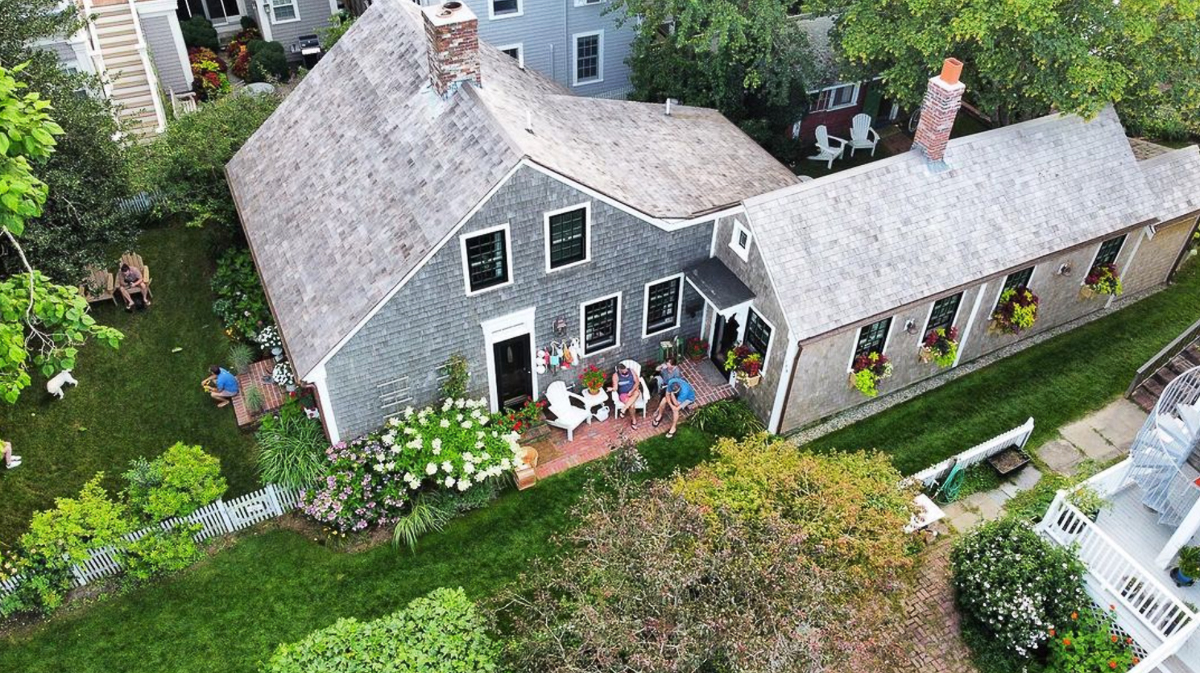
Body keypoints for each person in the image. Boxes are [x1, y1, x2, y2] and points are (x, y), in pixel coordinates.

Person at [609, 362, 641, 429]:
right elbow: (616, 387)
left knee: (637, 393)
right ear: (619, 371)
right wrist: (611, 389)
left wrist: (631, 391)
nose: (625, 372)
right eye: (623, 371)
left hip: (633, 391)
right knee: (631, 406)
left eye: (625, 370)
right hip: (623, 394)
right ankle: (634, 421)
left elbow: (637, 382)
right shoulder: (615, 375)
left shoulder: (631, 371)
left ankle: (623, 409)